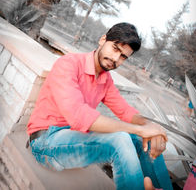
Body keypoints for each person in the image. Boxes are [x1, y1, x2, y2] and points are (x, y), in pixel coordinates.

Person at [27, 22, 173, 190]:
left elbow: (125, 111)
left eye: (123, 56)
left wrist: (150, 127)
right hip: (45, 143)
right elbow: (79, 116)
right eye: (115, 49)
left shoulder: (105, 79)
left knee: (143, 139)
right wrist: (139, 129)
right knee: (120, 139)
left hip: (73, 138)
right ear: (103, 40)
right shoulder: (69, 64)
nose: (116, 59)